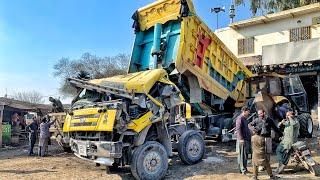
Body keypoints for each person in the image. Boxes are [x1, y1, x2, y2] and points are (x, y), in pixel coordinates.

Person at [249, 109, 282, 180]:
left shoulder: (269, 120)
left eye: (261, 113)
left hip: (267, 139)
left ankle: (256, 175)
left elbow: (275, 128)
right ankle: (269, 174)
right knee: (265, 158)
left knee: (266, 155)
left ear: (264, 113)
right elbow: (250, 125)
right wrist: (253, 129)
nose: (260, 115)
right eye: (258, 114)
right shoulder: (257, 120)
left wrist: (280, 134)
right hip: (261, 139)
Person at [275, 108, 300, 174]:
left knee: (285, 155)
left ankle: (281, 167)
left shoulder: (296, 122)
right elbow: (278, 126)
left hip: (290, 142)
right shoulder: (288, 122)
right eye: (286, 115)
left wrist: (290, 117)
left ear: (292, 116)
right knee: (279, 151)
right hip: (284, 141)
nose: (286, 116)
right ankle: (281, 165)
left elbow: (293, 124)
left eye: (288, 115)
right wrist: (281, 123)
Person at [236, 106, 251, 175]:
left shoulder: (245, 118)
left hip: (246, 139)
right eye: (248, 111)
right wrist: (241, 139)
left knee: (245, 155)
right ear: (244, 111)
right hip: (242, 140)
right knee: (242, 155)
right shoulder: (240, 118)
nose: (249, 113)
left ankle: (244, 168)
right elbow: (238, 129)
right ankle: (243, 170)